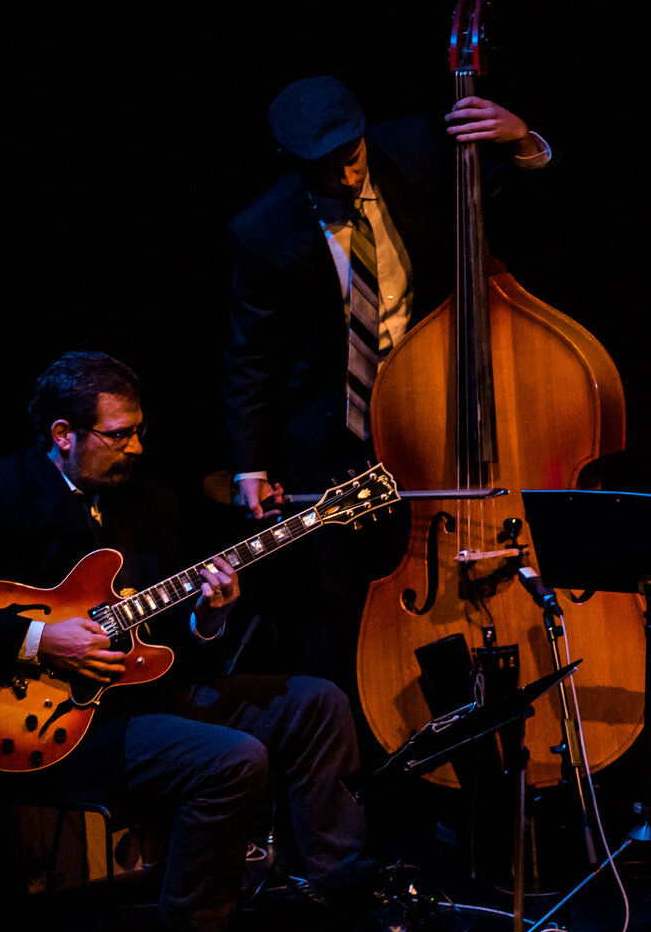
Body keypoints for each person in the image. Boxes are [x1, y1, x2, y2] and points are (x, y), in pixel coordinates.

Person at [0, 352, 369, 932]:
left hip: (140, 700)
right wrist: (41, 640)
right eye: (119, 434)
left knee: (316, 703)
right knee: (232, 759)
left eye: (138, 431)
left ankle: (343, 897)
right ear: (64, 434)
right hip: (52, 728)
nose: (137, 447)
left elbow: (169, 640)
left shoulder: (149, 502)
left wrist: (209, 615)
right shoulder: (0, 494)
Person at [223, 75, 553, 683]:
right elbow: (253, 355)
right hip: (333, 433)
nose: (348, 177)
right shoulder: (263, 230)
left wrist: (523, 142)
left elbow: (522, 211)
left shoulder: (417, 149)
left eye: (352, 158)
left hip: (434, 414)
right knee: (332, 608)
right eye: (327, 170)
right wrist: (250, 465)